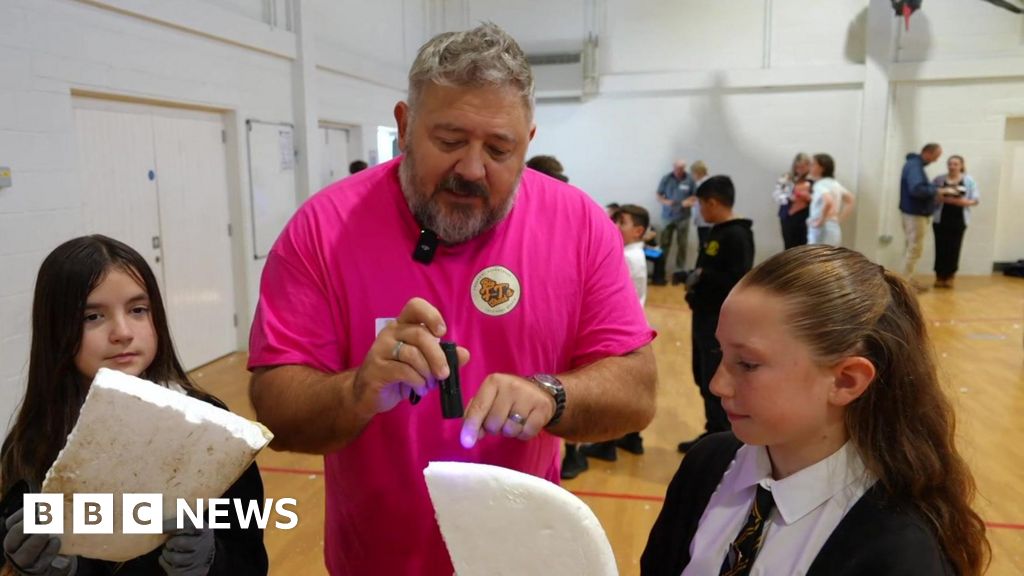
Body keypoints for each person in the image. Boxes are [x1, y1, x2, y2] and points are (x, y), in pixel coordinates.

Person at [246, 23, 657, 576]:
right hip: (374, 560)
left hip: (523, 560)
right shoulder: (323, 228)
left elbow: (637, 391)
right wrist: (358, 389)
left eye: (498, 148)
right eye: (449, 141)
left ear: (529, 141)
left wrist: (552, 394)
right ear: (404, 125)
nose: (471, 168)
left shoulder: (580, 225)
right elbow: (277, 409)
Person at [641, 245, 990, 576]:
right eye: (721, 354)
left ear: (846, 380)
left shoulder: (898, 548)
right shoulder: (707, 465)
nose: (718, 384)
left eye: (747, 364)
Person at [0, 235, 268, 576]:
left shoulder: (211, 429)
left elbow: (251, 560)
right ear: (56, 329)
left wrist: (210, 562)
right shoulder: (29, 446)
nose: (123, 332)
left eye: (138, 310)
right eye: (93, 316)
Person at [678, 176, 754, 453]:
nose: (699, 209)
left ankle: (724, 441)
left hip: (718, 320)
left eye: (700, 203)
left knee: (715, 377)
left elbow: (736, 279)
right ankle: (713, 432)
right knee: (702, 374)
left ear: (712, 202)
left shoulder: (736, 234)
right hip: (703, 314)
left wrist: (701, 277)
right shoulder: (717, 231)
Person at [582, 205, 651, 462]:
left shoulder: (627, 257)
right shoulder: (634, 254)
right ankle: (633, 439)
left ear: (638, 231)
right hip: (633, 328)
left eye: (621, 222)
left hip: (620, 331)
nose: (615, 226)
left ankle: (607, 444)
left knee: (613, 390)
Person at [899, 142, 943, 292]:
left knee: (911, 248)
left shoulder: (914, 165)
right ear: (927, 153)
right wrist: (936, 190)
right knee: (914, 249)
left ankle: (907, 280)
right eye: (936, 157)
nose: (936, 160)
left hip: (912, 213)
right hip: (915, 214)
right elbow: (917, 189)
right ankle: (904, 286)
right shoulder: (915, 166)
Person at [932, 155, 980, 288]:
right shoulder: (939, 179)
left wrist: (962, 202)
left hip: (959, 219)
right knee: (940, 247)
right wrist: (940, 197)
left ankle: (950, 276)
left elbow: (975, 199)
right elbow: (930, 196)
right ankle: (939, 276)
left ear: (961, 165)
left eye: (955, 164)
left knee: (954, 247)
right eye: (950, 164)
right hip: (940, 219)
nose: (952, 166)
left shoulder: (969, 180)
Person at [656, 160, 696, 278]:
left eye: (682, 168)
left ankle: (679, 273)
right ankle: (660, 272)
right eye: (677, 168)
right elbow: (658, 195)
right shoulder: (666, 178)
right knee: (664, 244)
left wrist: (688, 202)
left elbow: (695, 197)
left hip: (683, 217)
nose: (679, 171)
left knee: (682, 244)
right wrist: (665, 202)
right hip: (667, 217)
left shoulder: (690, 179)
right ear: (673, 167)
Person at [806, 153, 855, 246]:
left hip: (822, 228)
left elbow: (828, 202)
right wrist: (839, 219)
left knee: (817, 258)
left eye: (813, 165)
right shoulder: (835, 184)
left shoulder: (820, 184)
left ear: (822, 168)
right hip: (832, 226)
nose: (810, 167)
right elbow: (850, 199)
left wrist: (821, 220)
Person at [772, 153, 812, 249]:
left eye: (803, 167)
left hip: (805, 217)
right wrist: (788, 197)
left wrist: (809, 197)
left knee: (804, 247)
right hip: (787, 216)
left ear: (808, 166)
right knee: (789, 246)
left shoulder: (813, 180)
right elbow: (776, 195)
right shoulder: (786, 178)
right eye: (797, 167)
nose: (800, 170)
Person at [689, 161, 711, 252]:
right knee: (703, 244)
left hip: (705, 221)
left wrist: (690, 202)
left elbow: (702, 201)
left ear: (697, 172)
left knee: (704, 246)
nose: (692, 176)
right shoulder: (703, 183)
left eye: (692, 173)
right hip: (703, 220)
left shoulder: (705, 184)